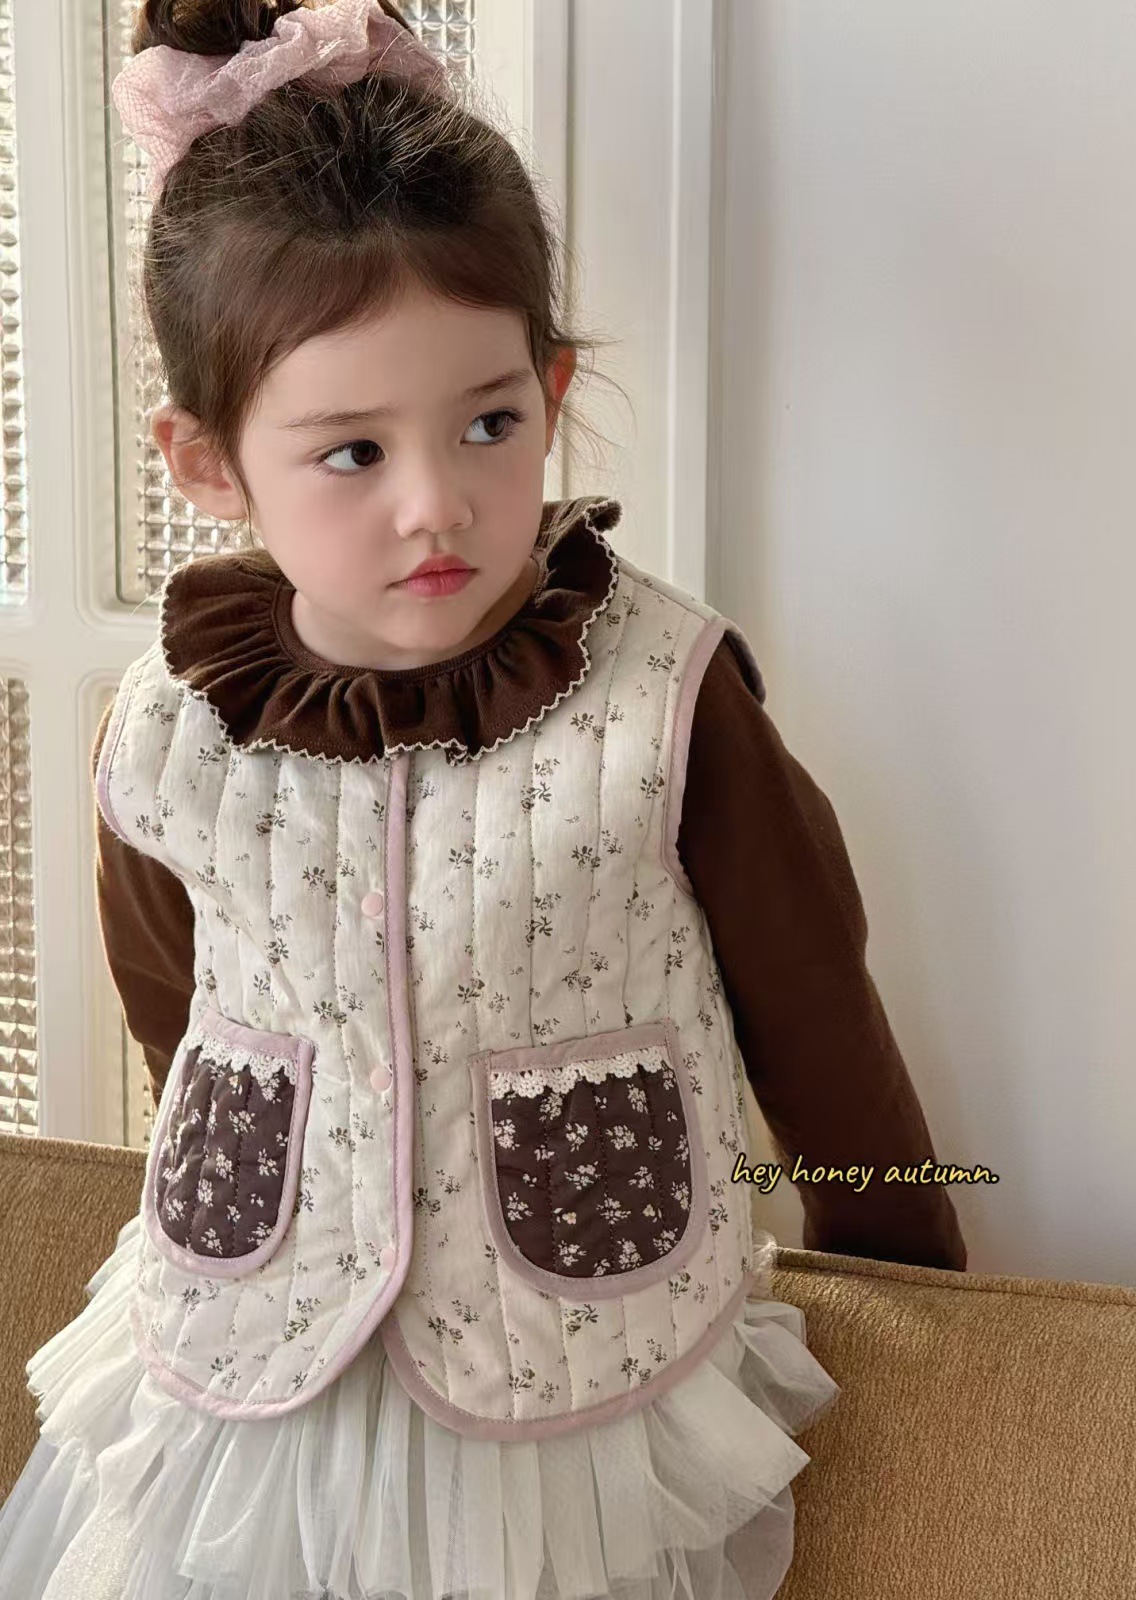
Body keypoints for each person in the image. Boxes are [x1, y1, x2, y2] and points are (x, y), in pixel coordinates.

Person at [0, 2, 966, 1596]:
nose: (437, 503)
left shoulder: (663, 698)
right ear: (207, 462)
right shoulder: (167, 727)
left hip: (574, 1381)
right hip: (247, 1377)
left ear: (553, 385)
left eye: (491, 423)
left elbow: (818, 1020)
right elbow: (184, 1022)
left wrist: (931, 1295)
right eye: (351, 453)